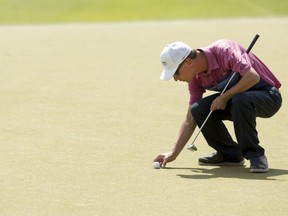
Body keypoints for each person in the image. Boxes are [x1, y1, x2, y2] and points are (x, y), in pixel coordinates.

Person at [153, 40, 282, 173]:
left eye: (176, 73)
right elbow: (190, 118)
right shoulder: (195, 77)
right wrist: (173, 153)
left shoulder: (224, 50)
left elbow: (252, 77)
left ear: (188, 63)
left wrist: (224, 97)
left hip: (268, 96)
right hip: (238, 102)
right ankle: (230, 154)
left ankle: (256, 155)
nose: (175, 79)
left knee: (240, 99)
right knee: (198, 109)